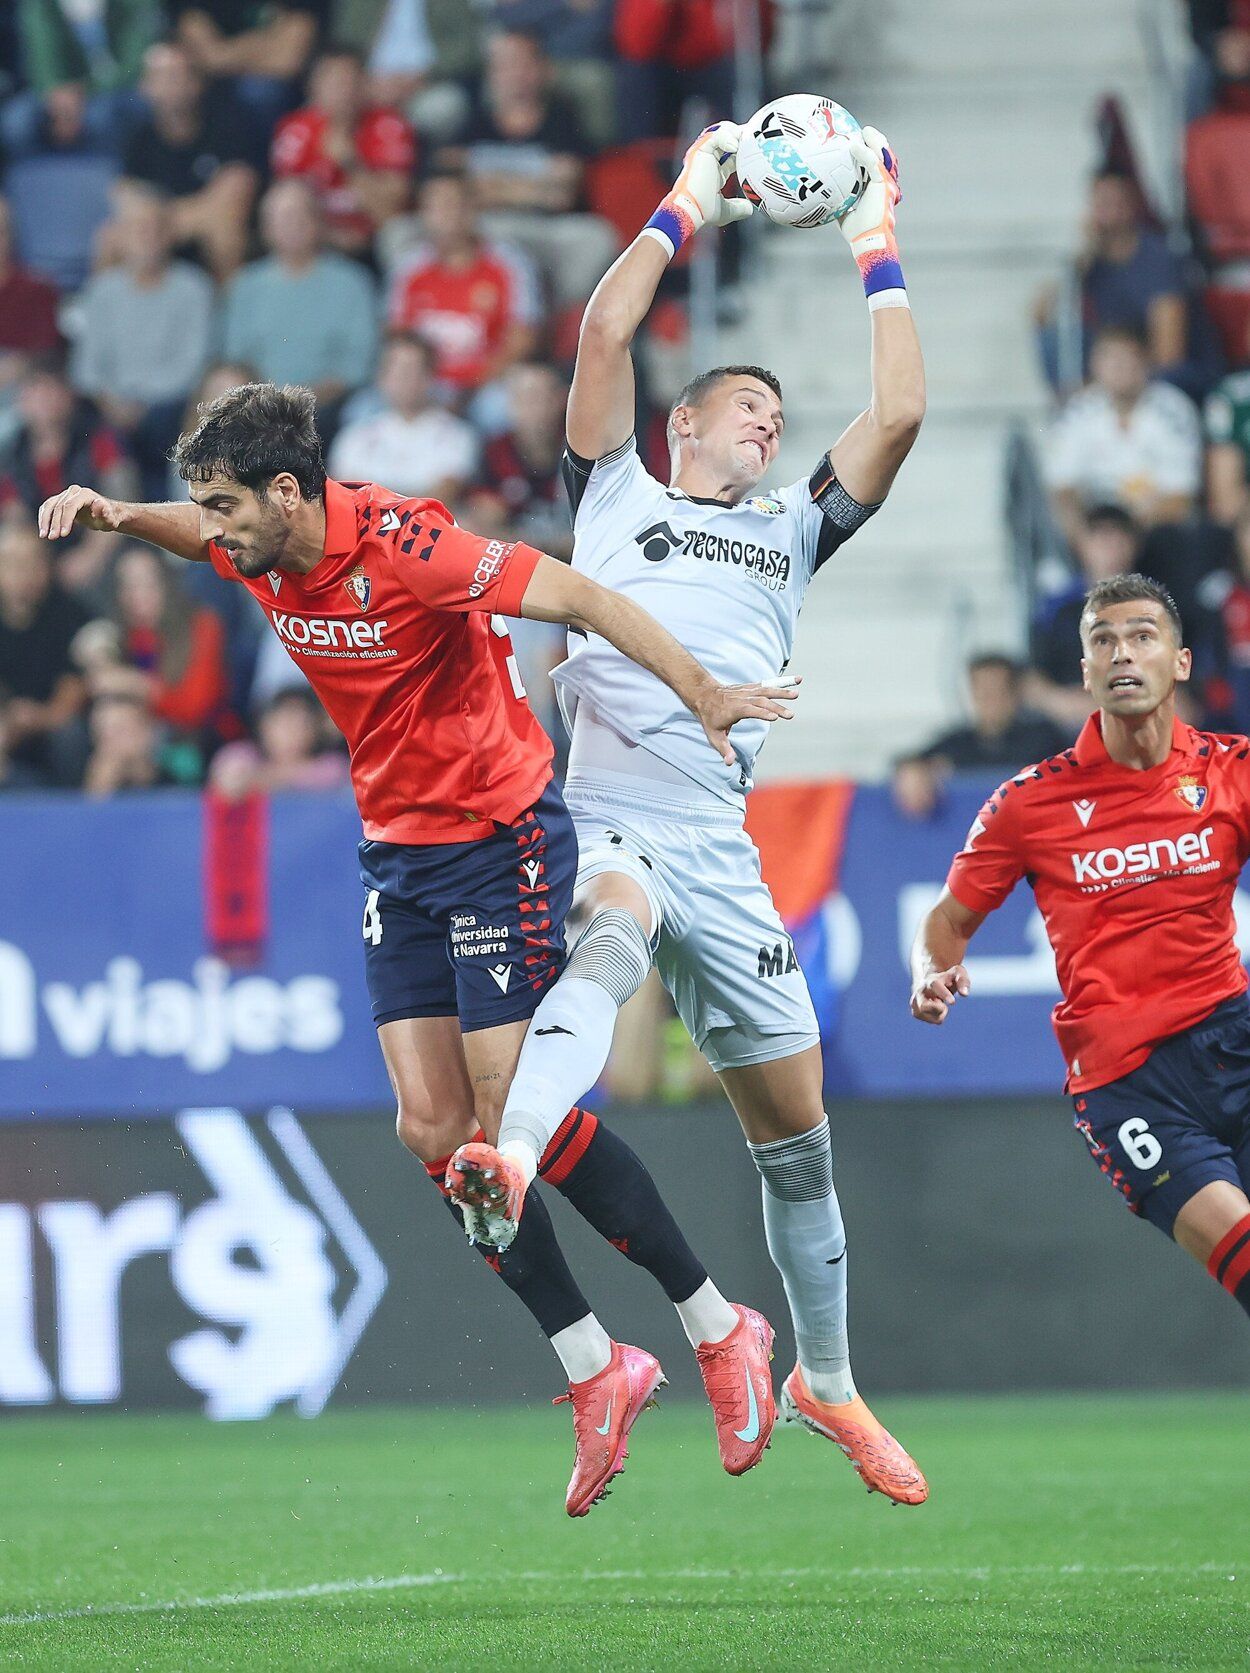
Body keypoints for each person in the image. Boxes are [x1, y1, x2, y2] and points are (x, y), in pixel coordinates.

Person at [38, 380, 795, 1516]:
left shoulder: (413, 545)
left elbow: (579, 593)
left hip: (500, 836)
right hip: (397, 854)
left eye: (228, 503)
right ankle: (597, 1364)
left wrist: (704, 693)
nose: (217, 524)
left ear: (288, 492)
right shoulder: (255, 546)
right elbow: (198, 535)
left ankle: (714, 1319)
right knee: (433, 1130)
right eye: (208, 505)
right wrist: (115, 512)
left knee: (507, 1118)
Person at [450, 122, 929, 1503]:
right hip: (601, 807)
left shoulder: (789, 528)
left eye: (777, 417)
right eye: (743, 408)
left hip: (721, 845)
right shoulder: (612, 493)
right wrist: (681, 202)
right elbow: (603, 334)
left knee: (797, 1137)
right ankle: (512, 1151)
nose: (768, 424)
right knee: (609, 924)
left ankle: (824, 1383)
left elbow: (894, 418)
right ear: (682, 425)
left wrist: (867, 233)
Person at [911, 572, 1250, 1328]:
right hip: (1130, 1085)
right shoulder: (1030, 803)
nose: (1123, 654)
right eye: (1104, 641)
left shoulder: (1231, 772)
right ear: (1087, 672)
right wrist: (932, 971)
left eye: (1141, 636)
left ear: (1182, 662)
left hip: (1235, 1041)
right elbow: (946, 923)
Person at [71, 189, 214, 498]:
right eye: (137, 229)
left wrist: (138, 402)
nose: (146, 238)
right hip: (109, 407)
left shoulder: (193, 288)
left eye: (154, 228)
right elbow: (86, 366)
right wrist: (113, 401)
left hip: (168, 407)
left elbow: (194, 363)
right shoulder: (101, 291)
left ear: (169, 235)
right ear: (120, 237)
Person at [222, 180, 379, 423]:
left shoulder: (352, 283)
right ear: (266, 228)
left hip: (328, 407)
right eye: (282, 217)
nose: (293, 225)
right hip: (257, 409)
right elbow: (235, 355)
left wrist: (301, 401)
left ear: (318, 221)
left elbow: (358, 362)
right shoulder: (246, 286)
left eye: (300, 215)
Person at [386, 168, 541, 406]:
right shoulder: (410, 268)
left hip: (488, 386)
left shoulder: (508, 263)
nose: (446, 215)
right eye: (436, 207)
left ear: (472, 210)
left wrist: (471, 388)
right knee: (363, 411)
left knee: (503, 407)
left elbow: (523, 338)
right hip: (423, 387)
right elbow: (397, 336)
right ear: (423, 213)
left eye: (454, 204)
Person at [1044, 326, 1202, 551]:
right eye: (1110, 358)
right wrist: (1088, 540)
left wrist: (1123, 537)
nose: (1119, 368)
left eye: (1127, 358)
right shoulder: (1076, 413)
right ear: (1094, 364)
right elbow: (1063, 491)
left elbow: (1180, 499)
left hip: (1155, 536)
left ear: (1146, 362)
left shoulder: (1174, 411)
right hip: (1092, 536)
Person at [119, 41, 262, 280]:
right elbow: (126, 198)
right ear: (145, 86)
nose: (169, 84)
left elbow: (235, 196)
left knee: (225, 233)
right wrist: (158, 225)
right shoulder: (138, 138)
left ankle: (230, 315)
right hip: (159, 233)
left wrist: (166, 221)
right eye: (159, 76)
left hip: (205, 229)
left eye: (176, 74)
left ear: (196, 83)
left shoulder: (229, 124)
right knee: (111, 239)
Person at [271, 46, 417, 257]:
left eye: (351, 81)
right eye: (335, 82)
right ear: (314, 87)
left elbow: (391, 213)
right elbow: (287, 206)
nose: (344, 91)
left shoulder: (390, 126)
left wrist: (350, 163)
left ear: (365, 84)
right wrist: (329, 234)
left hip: (374, 236)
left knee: (400, 233)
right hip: (319, 236)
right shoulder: (295, 130)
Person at [893, 656, 1068, 821]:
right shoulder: (959, 742)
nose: (990, 699)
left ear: (1015, 692)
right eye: (983, 691)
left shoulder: (1044, 738)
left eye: (998, 690)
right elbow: (915, 761)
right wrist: (913, 769)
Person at [1026, 505, 1141, 735]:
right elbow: (1032, 683)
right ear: (1081, 545)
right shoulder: (1055, 609)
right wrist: (1067, 703)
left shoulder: (1159, 606)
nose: (1110, 549)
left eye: (1119, 539)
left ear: (1134, 546)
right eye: (1101, 539)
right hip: (1071, 724)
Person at [327, 332, 478, 501]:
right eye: (393, 368)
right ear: (381, 376)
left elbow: (441, 497)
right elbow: (342, 497)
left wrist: (374, 499)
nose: (401, 378)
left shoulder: (456, 435)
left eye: (409, 369)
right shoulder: (354, 436)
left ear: (429, 377)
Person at [0, 521, 89, 784]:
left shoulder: (68, 614)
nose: (25, 572)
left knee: (70, 734)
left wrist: (38, 717)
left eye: (33, 562)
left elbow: (74, 687)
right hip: (7, 730)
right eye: (14, 563)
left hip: (51, 726)